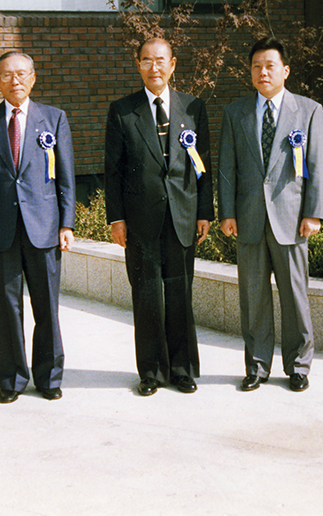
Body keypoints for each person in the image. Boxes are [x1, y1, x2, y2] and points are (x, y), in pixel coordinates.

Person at [0, 51, 75, 403]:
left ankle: (49, 377)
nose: (16, 81)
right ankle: (11, 379)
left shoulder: (54, 119)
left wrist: (66, 223)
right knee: (6, 309)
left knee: (47, 307)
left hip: (44, 228)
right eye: (8, 75)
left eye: (22, 74)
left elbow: (66, 178)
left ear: (33, 78)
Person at [104, 37, 214, 396]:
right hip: (140, 220)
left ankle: (182, 369)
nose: (154, 67)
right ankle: (151, 371)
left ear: (173, 64)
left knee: (180, 294)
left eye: (161, 60)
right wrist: (116, 218)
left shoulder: (193, 108)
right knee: (147, 295)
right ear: (138, 65)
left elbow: (203, 166)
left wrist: (204, 212)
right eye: (147, 60)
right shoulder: (123, 111)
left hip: (182, 216)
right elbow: (113, 170)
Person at [218, 36, 323, 392]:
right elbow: (227, 167)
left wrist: (313, 213)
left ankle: (298, 366)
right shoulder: (235, 113)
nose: (262, 72)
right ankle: (257, 366)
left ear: (286, 70)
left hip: (292, 220)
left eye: (270, 66)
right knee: (253, 297)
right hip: (249, 219)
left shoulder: (308, 111)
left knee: (295, 296)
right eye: (256, 66)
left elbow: (317, 166)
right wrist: (227, 212)